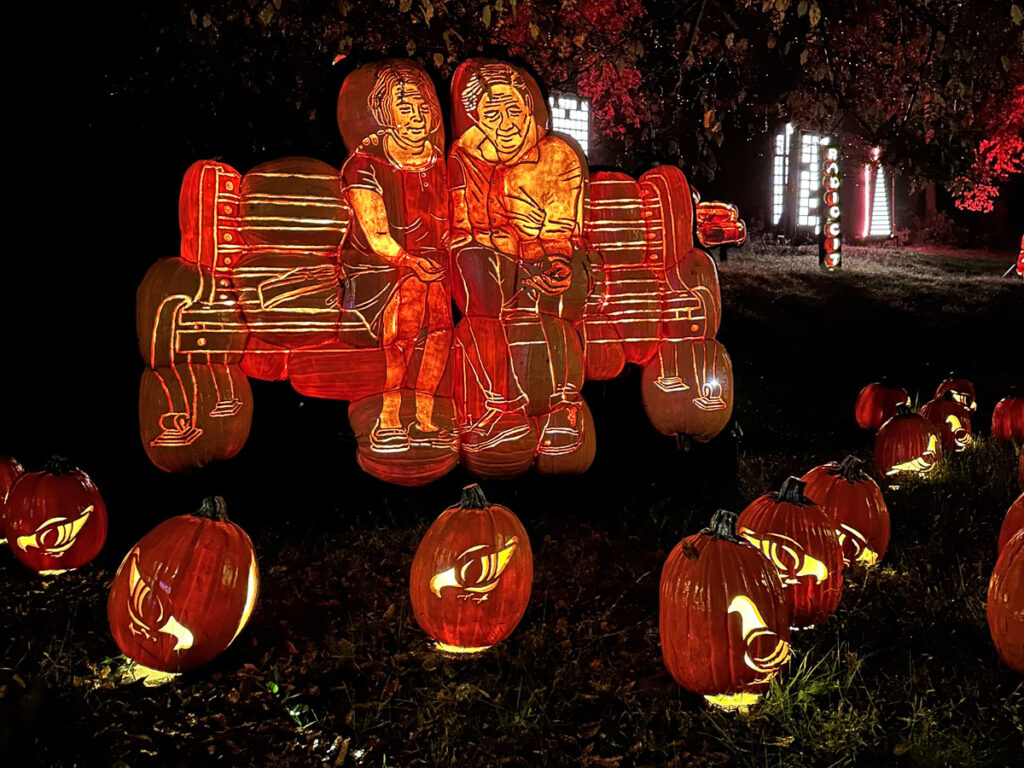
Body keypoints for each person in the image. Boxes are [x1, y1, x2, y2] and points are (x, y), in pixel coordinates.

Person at [449, 62, 586, 455]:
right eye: (492, 114)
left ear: (528, 108)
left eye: (513, 109)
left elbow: (562, 230)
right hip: (494, 261)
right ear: (476, 118)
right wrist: (503, 233)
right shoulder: (464, 157)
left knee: (557, 300)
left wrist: (549, 256)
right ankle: (500, 406)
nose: (505, 122)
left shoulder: (556, 157)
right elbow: (464, 223)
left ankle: (560, 402)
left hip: (544, 255)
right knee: (477, 283)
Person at [341, 62, 453, 453]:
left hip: (433, 266)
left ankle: (423, 415)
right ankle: (389, 415)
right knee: (405, 321)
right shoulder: (365, 165)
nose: (418, 114)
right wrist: (408, 261)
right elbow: (376, 235)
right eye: (404, 106)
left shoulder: (440, 162)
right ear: (384, 112)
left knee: (439, 328)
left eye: (422, 104)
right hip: (380, 269)